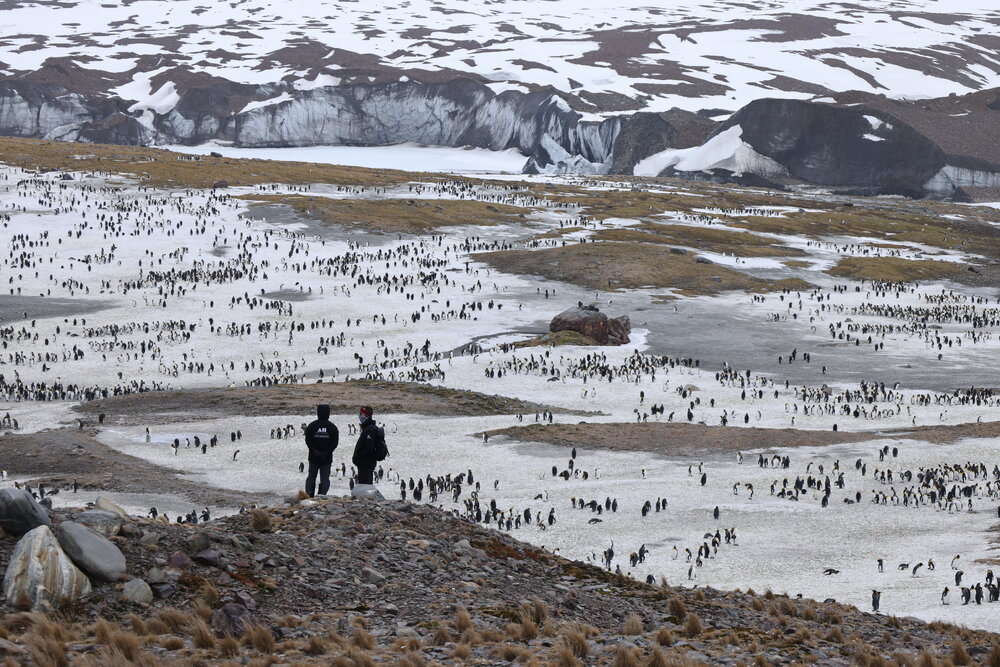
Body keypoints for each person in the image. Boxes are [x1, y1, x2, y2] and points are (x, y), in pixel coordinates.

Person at [304, 404, 339, 497]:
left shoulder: (312, 426)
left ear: (318, 413)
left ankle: (309, 495)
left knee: (311, 477)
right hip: (326, 458)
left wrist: (314, 451)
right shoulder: (332, 427)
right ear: (328, 413)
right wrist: (326, 452)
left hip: (313, 457)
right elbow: (334, 443)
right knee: (325, 479)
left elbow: (308, 440)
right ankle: (321, 496)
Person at [353, 405, 384, 485]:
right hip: (365, 464)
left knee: (365, 486)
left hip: (365, 464)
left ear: (366, 415)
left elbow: (368, 449)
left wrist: (359, 456)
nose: (360, 416)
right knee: (365, 485)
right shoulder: (367, 427)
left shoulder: (369, 429)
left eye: (361, 414)